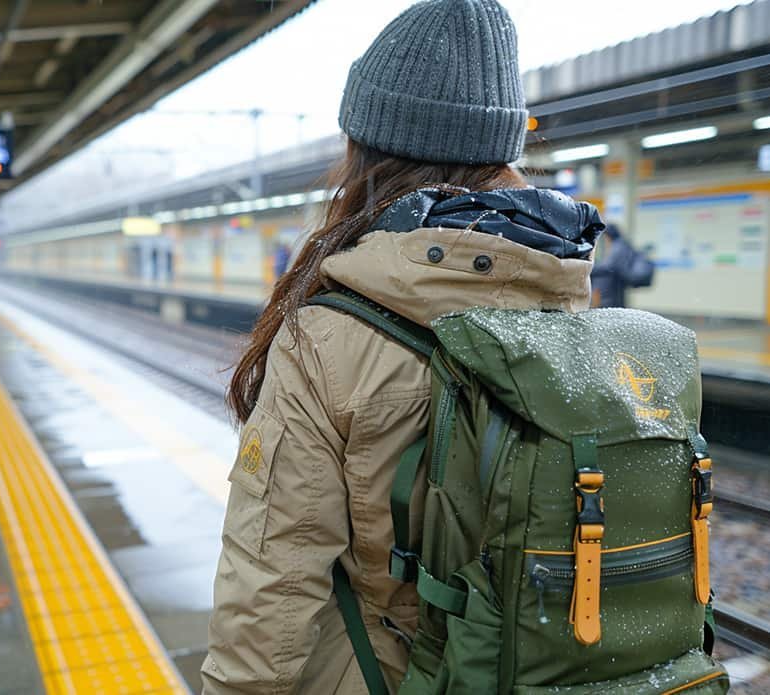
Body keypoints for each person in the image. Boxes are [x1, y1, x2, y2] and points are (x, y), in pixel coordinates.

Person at [202, 1, 603, 692]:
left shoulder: (326, 338)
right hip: (548, 669)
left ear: (368, 150)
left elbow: (270, 590)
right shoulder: (575, 305)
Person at [590, 223, 655, 307]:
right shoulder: (622, 244)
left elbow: (609, 266)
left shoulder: (618, 246)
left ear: (608, 236)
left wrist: (590, 269)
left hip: (614, 292)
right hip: (618, 287)